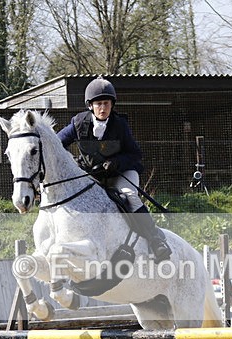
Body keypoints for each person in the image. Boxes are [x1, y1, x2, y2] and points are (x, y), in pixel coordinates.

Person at [56, 76, 171, 262]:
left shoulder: (120, 125)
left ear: (112, 104)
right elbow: (56, 143)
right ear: (90, 106)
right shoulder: (78, 124)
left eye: (106, 103)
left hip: (122, 172)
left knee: (129, 195)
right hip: (93, 174)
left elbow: (135, 154)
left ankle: (156, 240)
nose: (103, 108)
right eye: (99, 104)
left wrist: (117, 162)